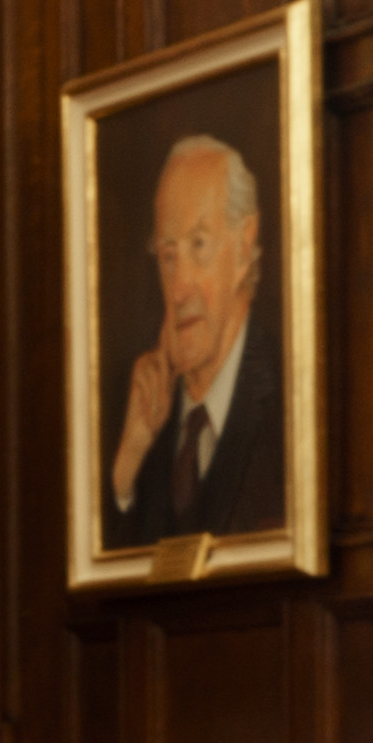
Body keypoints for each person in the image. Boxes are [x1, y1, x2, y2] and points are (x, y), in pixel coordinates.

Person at [98, 129, 286, 559]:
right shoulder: (134, 414)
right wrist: (126, 469)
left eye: (199, 245)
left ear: (244, 246)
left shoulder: (288, 396)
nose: (179, 288)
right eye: (168, 255)